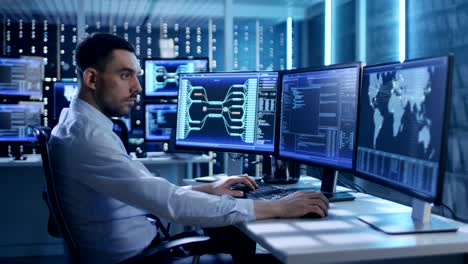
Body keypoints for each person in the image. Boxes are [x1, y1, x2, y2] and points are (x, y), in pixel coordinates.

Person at [49, 32, 329, 264]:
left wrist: (208, 189)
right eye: (125, 75)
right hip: (144, 260)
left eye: (136, 75)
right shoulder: (87, 138)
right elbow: (173, 205)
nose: (137, 87)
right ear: (92, 79)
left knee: (238, 238)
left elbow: (151, 190)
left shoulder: (78, 125)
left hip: (146, 247)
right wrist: (278, 206)